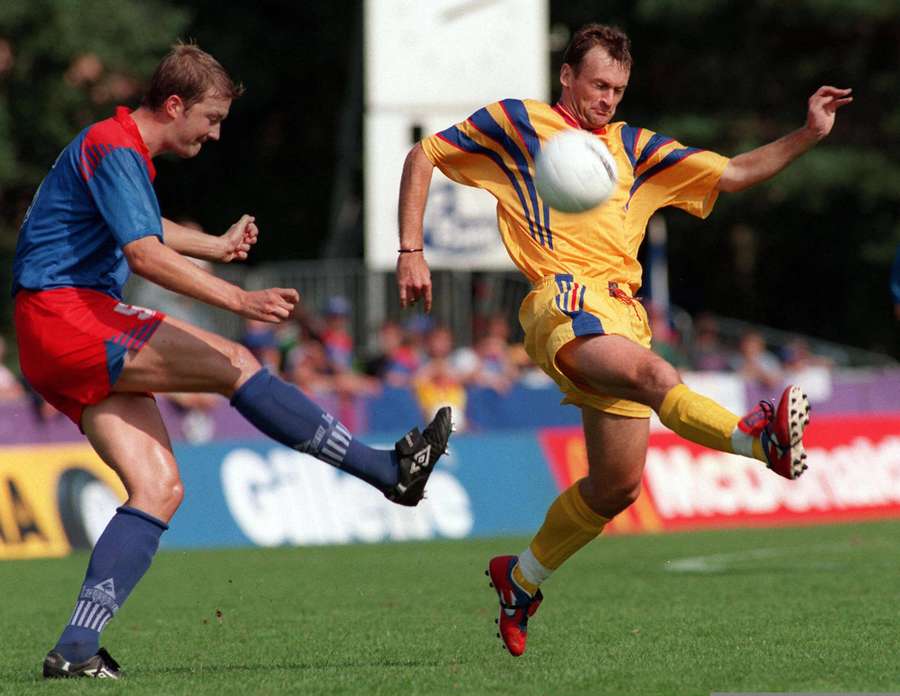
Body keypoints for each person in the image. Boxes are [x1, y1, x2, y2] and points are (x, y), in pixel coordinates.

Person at [396, 23, 849, 656]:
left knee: (617, 487)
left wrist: (808, 134)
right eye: (598, 84)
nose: (607, 99)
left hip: (623, 314)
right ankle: (760, 440)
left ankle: (519, 579)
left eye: (618, 89)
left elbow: (736, 172)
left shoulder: (634, 147)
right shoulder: (517, 122)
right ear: (567, 76)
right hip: (564, 299)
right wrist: (411, 250)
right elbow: (424, 156)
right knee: (658, 377)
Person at [12, 43, 452, 680]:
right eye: (211, 118)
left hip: (52, 331)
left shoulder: (115, 148)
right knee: (234, 360)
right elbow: (144, 254)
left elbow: (147, 229)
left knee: (160, 488)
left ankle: (75, 649)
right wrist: (238, 298)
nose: (216, 133)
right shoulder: (113, 145)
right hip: (67, 315)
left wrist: (216, 246)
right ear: (173, 105)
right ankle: (385, 469)